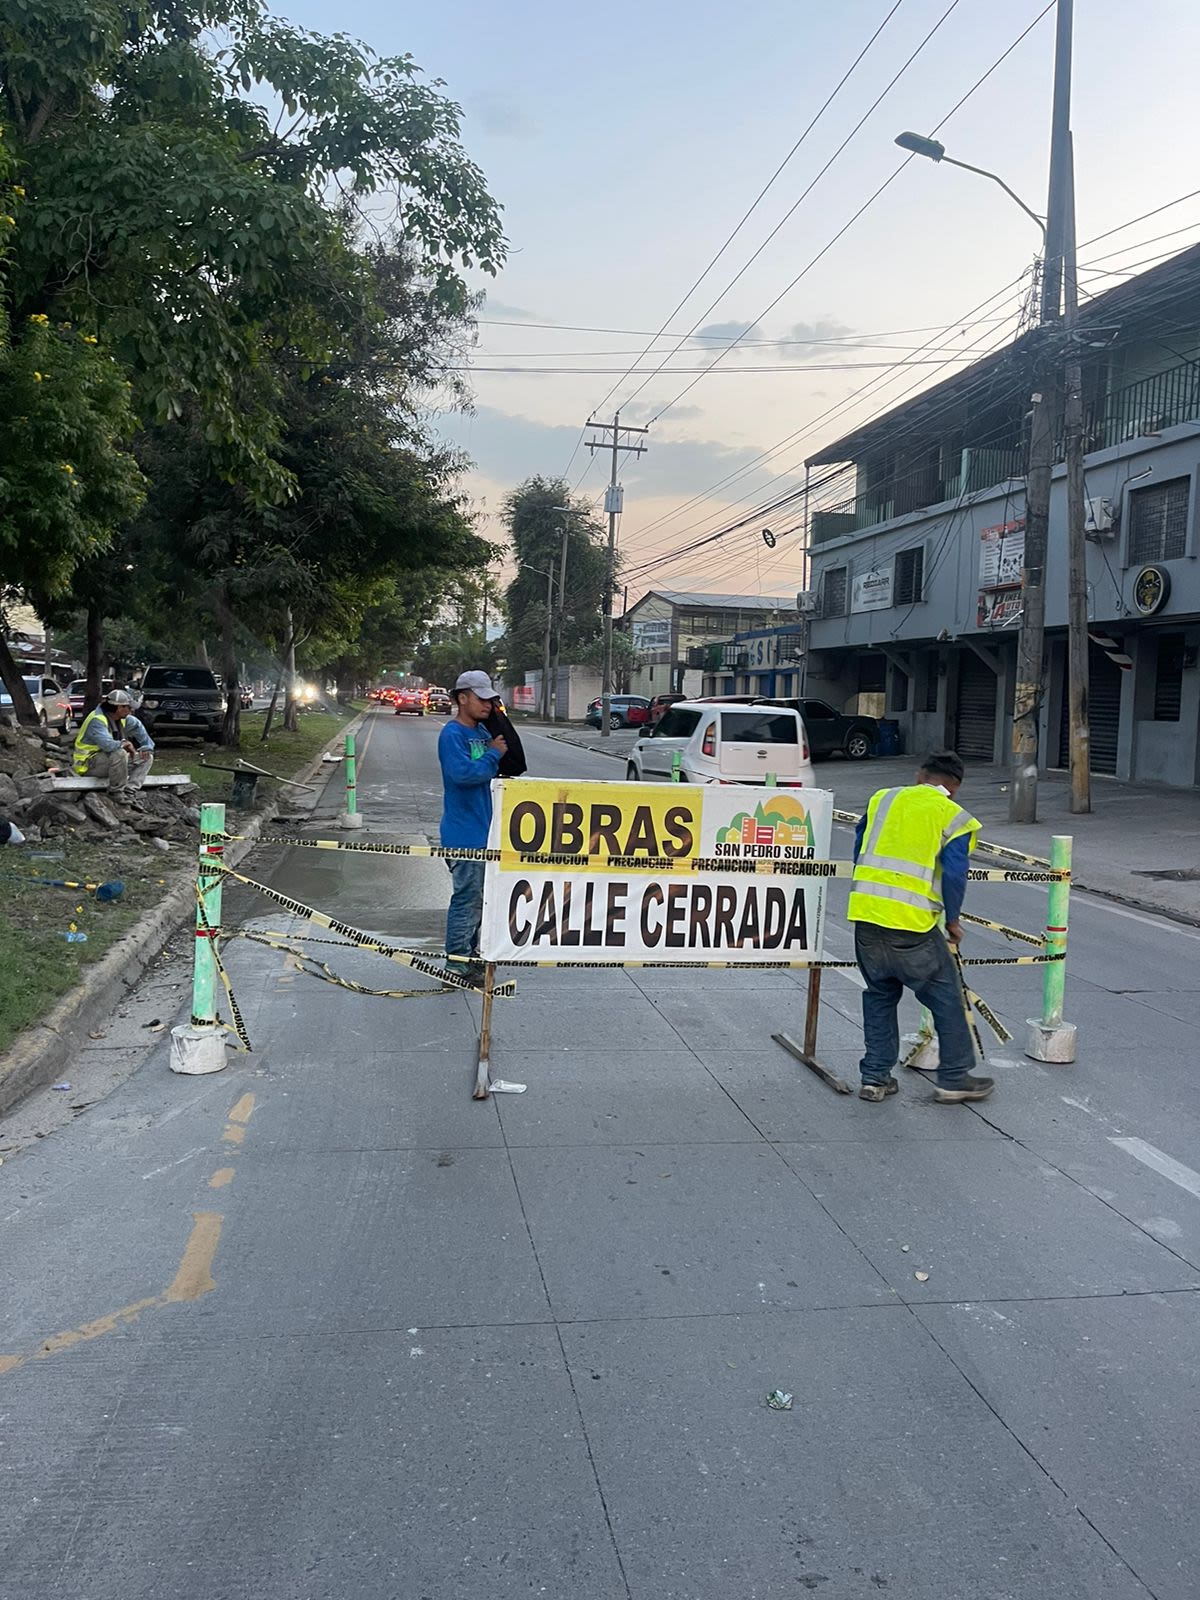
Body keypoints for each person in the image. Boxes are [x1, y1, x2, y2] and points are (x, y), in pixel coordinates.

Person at [848, 749, 994, 1105]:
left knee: (879, 995)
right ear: (954, 788)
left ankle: (875, 1078)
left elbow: (859, 846)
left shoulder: (883, 799)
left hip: (866, 916)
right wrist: (953, 920)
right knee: (947, 998)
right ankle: (954, 1078)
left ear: (919, 776)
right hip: (911, 927)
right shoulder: (953, 816)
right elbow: (955, 875)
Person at [438, 671, 507, 982]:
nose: (488, 705)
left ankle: (470, 956)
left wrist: (497, 742)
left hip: (486, 832)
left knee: (480, 900)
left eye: (491, 700)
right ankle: (456, 963)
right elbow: (463, 774)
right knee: (467, 898)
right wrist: (493, 754)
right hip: (464, 833)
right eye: (482, 699)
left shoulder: (483, 732)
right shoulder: (452, 735)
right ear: (462, 698)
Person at [73, 688, 155, 806]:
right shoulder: (97, 720)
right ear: (119, 707)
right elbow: (108, 746)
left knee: (146, 757)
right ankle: (116, 792)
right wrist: (125, 743)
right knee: (120, 753)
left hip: (108, 762)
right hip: (88, 765)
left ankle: (130, 791)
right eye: (128, 707)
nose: (131, 710)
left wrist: (147, 746)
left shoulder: (122, 718)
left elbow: (138, 727)